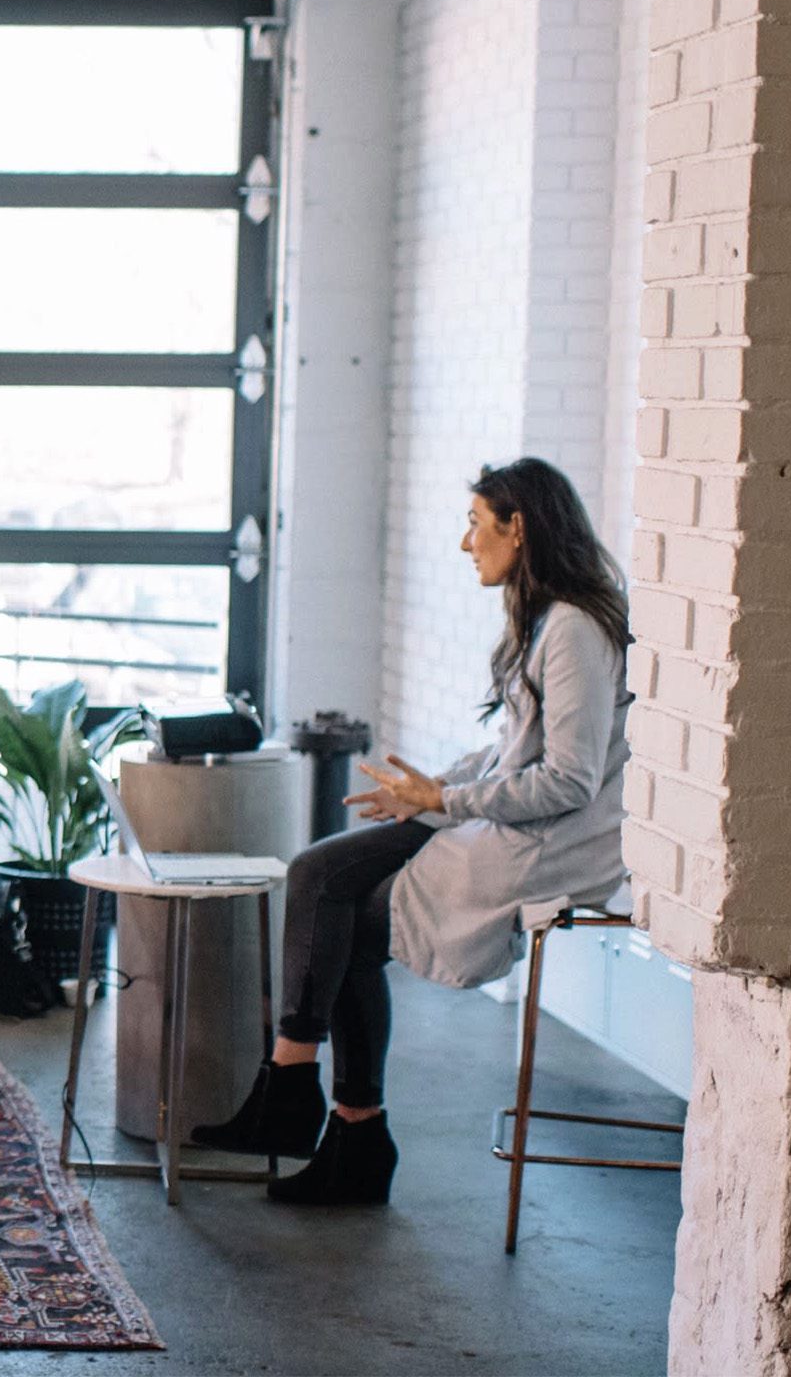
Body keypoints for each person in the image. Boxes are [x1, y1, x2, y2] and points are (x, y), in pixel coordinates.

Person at [195, 458, 632, 1206]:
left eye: (475, 523)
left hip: (550, 844)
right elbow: (509, 751)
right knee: (317, 874)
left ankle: (332, 1117)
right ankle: (310, 1097)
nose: (467, 544)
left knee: (353, 924)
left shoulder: (574, 632)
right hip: (497, 812)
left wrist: (447, 801)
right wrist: (428, 791)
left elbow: (569, 781)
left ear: (517, 528)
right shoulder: (544, 622)